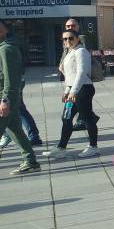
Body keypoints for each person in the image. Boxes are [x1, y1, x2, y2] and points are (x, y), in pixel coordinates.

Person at [42, 29, 99, 159]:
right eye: (65, 39)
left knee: (87, 118)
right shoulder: (70, 52)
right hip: (74, 89)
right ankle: (61, 147)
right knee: (66, 117)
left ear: (77, 38)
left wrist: (73, 91)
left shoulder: (81, 51)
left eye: (71, 38)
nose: (68, 41)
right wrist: (67, 91)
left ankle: (93, 146)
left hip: (83, 89)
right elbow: (70, 75)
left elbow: (81, 72)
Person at [0, 20, 41, 175]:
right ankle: (31, 162)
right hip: (9, 98)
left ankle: (31, 161)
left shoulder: (6, 49)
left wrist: (5, 100)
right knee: (15, 130)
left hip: (5, 98)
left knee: (15, 130)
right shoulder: (6, 47)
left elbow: (11, 79)